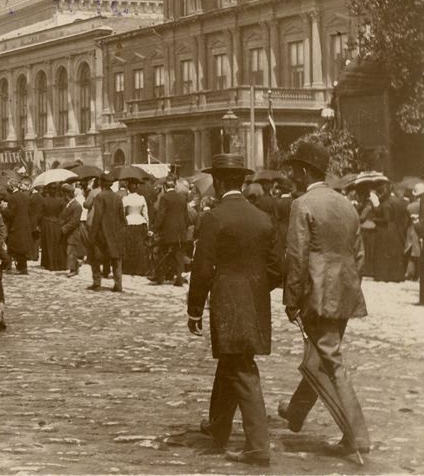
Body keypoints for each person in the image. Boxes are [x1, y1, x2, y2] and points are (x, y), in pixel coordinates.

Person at [187, 154, 280, 467]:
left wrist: (194, 309)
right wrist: (254, 287)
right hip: (254, 300)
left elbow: (202, 269)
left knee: (241, 368)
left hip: (228, 300)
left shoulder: (214, 217)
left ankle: (257, 445)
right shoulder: (263, 218)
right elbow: (277, 268)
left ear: (221, 182)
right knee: (231, 360)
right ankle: (218, 426)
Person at [278, 142, 370, 457]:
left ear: (304, 172)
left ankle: (357, 435)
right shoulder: (347, 204)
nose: (291, 178)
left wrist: (291, 299)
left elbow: (297, 256)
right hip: (345, 292)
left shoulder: (302, 204)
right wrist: (347, 284)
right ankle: (295, 413)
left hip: (317, 294)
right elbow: (359, 255)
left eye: (293, 172)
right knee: (320, 356)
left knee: (330, 361)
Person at [88, 172, 126, 292]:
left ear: (102, 183)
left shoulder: (100, 196)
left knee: (95, 258)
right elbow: (122, 217)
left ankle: (97, 282)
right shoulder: (117, 197)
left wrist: (92, 235)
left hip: (102, 233)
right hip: (116, 233)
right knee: (116, 259)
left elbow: (97, 217)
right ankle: (118, 284)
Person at [152, 180, 190, 286]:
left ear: (165, 186)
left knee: (161, 253)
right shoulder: (182, 198)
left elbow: (161, 215)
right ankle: (179, 278)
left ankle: (160, 277)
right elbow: (186, 217)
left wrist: (155, 228)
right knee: (179, 256)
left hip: (168, 231)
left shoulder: (165, 198)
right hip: (181, 231)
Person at [0, 180, 34, 274]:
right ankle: (21, 267)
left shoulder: (13, 198)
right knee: (21, 246)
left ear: (11, 187)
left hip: (16, 225)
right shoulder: (25, 196)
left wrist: (3, 209)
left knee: (14, 246)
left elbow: (11, 214)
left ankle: (13, 266)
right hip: (25, 224)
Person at [58, 184, 86, 277]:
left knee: (71, 250)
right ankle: (75, 267)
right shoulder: (69, 204)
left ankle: (73, 269)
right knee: (70, 250)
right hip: (69, 231)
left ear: (67, 194)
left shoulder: (77, 206)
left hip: (74, 232)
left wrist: (64, 228)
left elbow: (74, 221)